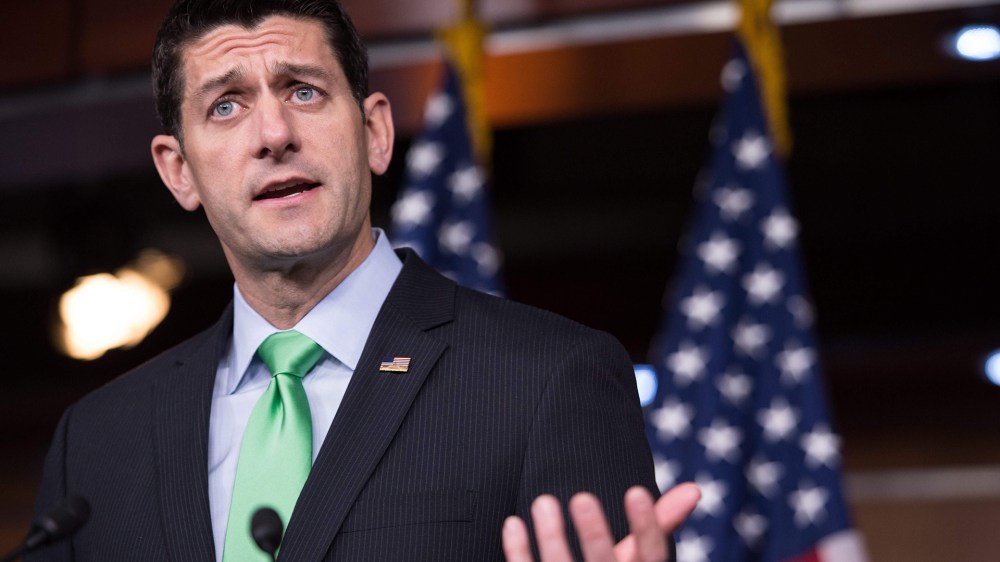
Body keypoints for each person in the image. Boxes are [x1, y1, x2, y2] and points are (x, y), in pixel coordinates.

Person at [27, 1, 699, 561]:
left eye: (303, 91)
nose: (273, 133)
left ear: (376, 131)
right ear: (178, 171)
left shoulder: (548, 379)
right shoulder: (94, 442)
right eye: (226, 106)